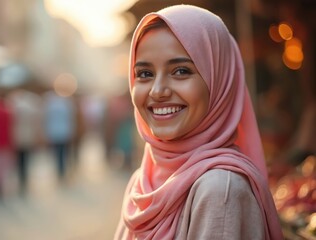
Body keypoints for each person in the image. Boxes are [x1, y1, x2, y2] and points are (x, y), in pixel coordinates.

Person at [114, 5, 283, 240]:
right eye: (144, 74)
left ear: (219, 82)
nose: (158, 91)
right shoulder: (142, 182)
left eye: (181, 71)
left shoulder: (220, 190)